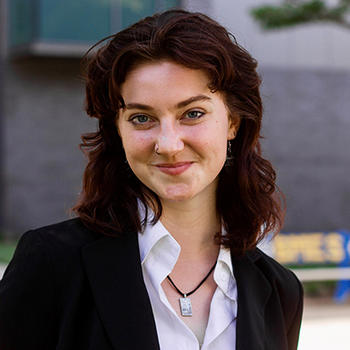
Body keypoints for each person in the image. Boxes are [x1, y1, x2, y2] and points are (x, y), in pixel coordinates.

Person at [0, 9, 303, 350]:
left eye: (193, 113)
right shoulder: (52, 265)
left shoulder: (279, 290)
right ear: (118, 130)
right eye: (142, 118)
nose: (169, 145)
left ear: (233, 121)